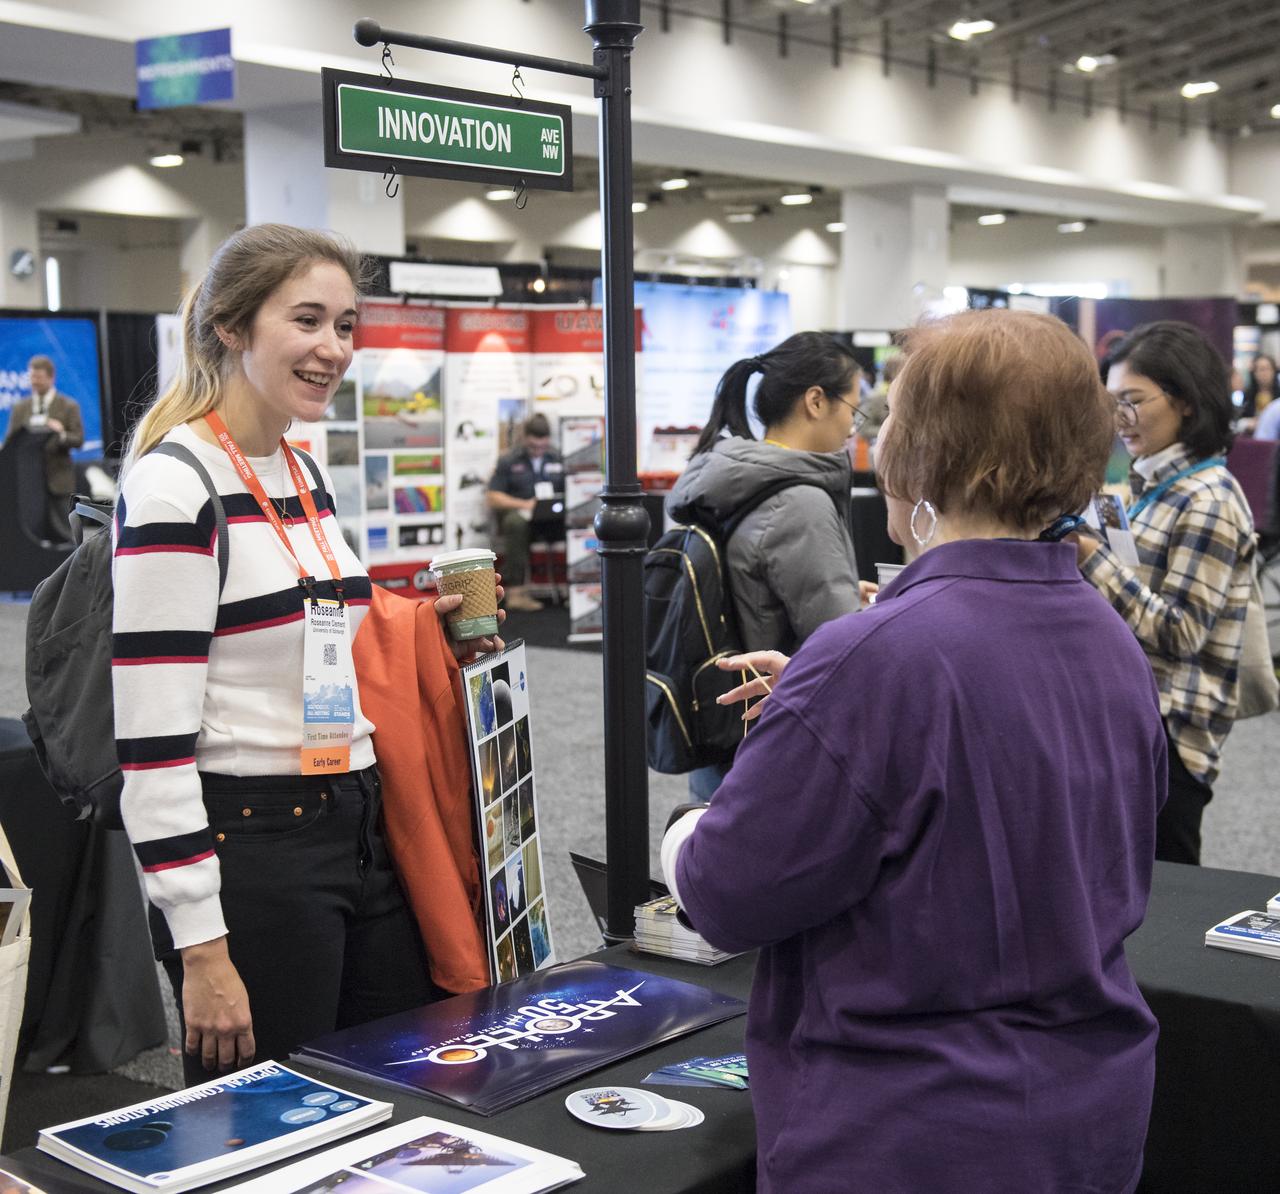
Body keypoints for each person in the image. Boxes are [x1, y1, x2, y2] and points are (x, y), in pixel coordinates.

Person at [662, 309, 1166, 1193]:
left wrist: (686, 829)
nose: (873, 435)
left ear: (927, 453)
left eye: (890, 415)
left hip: (912, 1135)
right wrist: (829, 715)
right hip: (1087, 1114)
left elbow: (728, 893)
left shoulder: (874, 662)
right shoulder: (1104, 633)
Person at [112, 223, 500, 1086]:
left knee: (401, 1085)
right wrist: (201, 949)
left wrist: (429, 625)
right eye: (309, 321)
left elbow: (323, 623)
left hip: (359, 823)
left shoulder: (299, 470)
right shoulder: (177, 487)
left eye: (347, 325)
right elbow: (150, 744)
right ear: (232, 328)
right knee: (275, 1121)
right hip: (255, 847)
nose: (334, 349)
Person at [1075, 321, 1255, 865]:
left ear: (1186, 402)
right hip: (1136, 720)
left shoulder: (1209, 497)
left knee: (1167, 900)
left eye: (1131, 401)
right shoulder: (1156, 485)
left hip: (1172, 737)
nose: (1118, 420)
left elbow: (1180, 633)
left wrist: (1090, 556)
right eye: (1112, 403)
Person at [666, 331, 863, 800]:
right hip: (778, 743)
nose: (855, 428)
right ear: (816, 401)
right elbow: (840, 645)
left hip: (722, 728)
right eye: (854, 410)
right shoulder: (799, 503)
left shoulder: (720, 476)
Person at [486, 412, 563, 612]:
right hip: (522, 515)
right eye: (533, 446)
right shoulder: (509, 460)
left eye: (542, 445)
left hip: (553, 516)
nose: (538, 450)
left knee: (580, 522)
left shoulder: (558, 457)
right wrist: (524, 504)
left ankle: (579, 590)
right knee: (515, 523)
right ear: (525, 438)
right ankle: (516, 592)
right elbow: (493, 496)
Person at [2, 354, 84, 541]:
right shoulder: (20, 408)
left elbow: (78, 439)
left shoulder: (68, 406)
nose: (34, 382)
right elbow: (11, 441)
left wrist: (61, 432)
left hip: (58, 482)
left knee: (66, 535)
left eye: (38, 377)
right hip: (26, 486)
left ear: (50, 377)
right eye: (32, 377)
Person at [1242, 352, 1277, 419]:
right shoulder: (1248, 396)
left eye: (1268, 369)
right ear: (1254, 373)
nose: (1265, 373)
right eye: (1261, 369)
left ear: (1274, 371)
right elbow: (1240, 418)